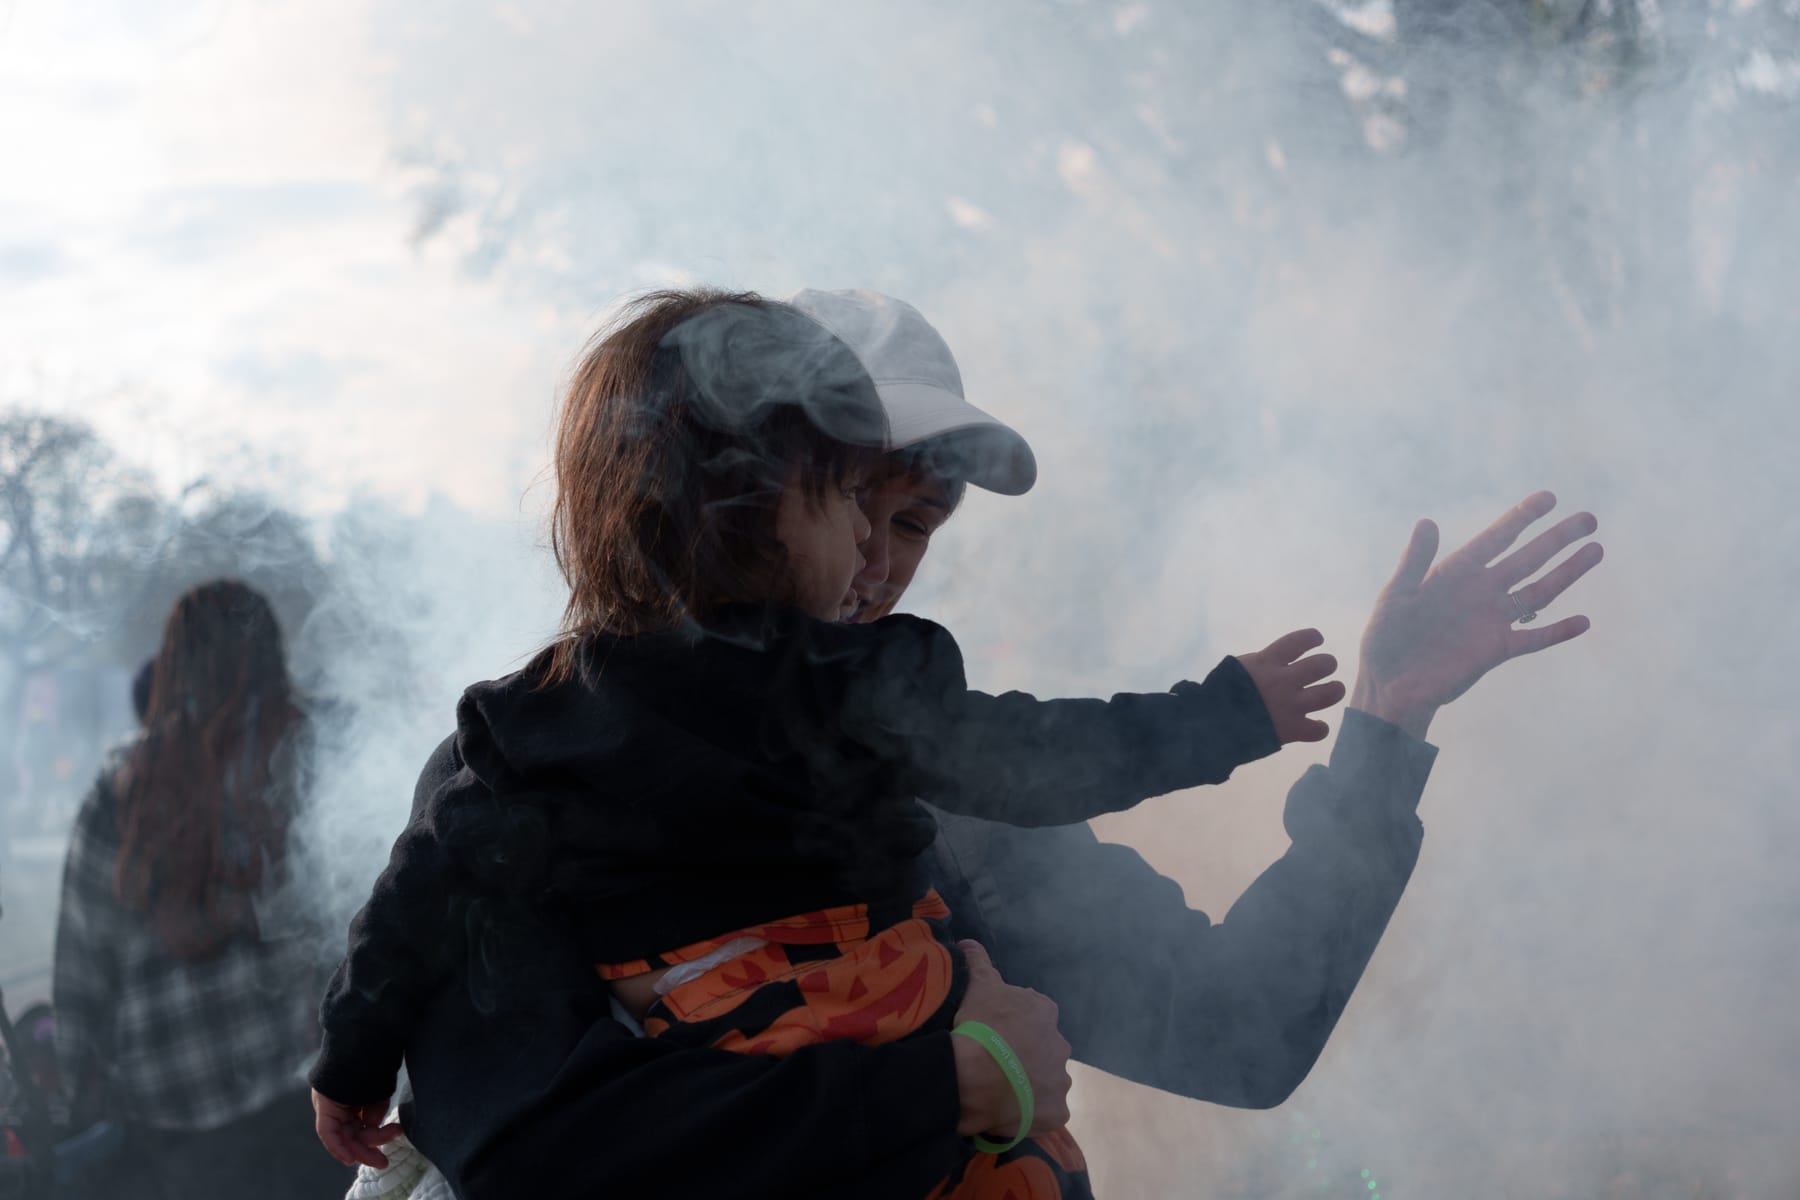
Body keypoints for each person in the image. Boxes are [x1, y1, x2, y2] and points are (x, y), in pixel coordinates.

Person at [381, 290, 1602, 1199]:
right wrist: (935, 1087)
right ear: (730, 499)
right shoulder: (525, 772)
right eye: (848, 503)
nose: (877, 562)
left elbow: (1243, 1028)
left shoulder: (946, 805)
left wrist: (1383, 725)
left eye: (914, 520)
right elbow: (532, 1147)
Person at [50, 580, 351, 1198]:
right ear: (270, 657)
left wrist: (78, 1088)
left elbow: (81, 976)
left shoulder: (117, 792)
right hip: (303, 1096)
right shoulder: (305, 764)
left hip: (172, 1113)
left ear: (173, 665)